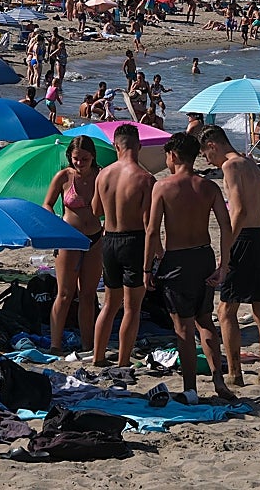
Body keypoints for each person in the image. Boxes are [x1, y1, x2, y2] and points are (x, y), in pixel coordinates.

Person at [145, 133, 235, 402]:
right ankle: (218, 380)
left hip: (177, 260)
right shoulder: (209, 187)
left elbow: (152, 231)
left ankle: (190, 389)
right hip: (203, 256)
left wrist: (147, 269)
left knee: (183, 328)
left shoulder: (162, 187)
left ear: (173, 156)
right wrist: (224, 264)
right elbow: (226, 226)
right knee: (205, 320)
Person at [199, 125, 260, 388]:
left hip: (243, 239)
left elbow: (239, 210)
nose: (208, 161)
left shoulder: (230, 166)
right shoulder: (252, 164)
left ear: (213, 145)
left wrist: (227, 248)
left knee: (226, 310)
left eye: (206, 155)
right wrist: (256, 227)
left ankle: (235, 373)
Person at [91, 124, 155, 369]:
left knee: (110, 303)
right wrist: (156, 251)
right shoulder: (145, 179)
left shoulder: (103, 175)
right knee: (132, 308)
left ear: (115, 146)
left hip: (109, 240)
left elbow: (96, 210)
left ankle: (98, 356)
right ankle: (123, 360)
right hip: (134, 240)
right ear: (138, 146)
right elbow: (149, 222)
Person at [43, 137, 104, 354]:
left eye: (84, 159)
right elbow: (47, 204)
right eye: (76, 158)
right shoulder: (64, 176)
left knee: (88, 295)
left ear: (93, 157)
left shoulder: (101, 176)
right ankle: (55, 344)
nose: (79, 163)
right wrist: (55, 224)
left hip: (95, 238)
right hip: (68, 238)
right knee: (65, 293)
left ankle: (88, 345)